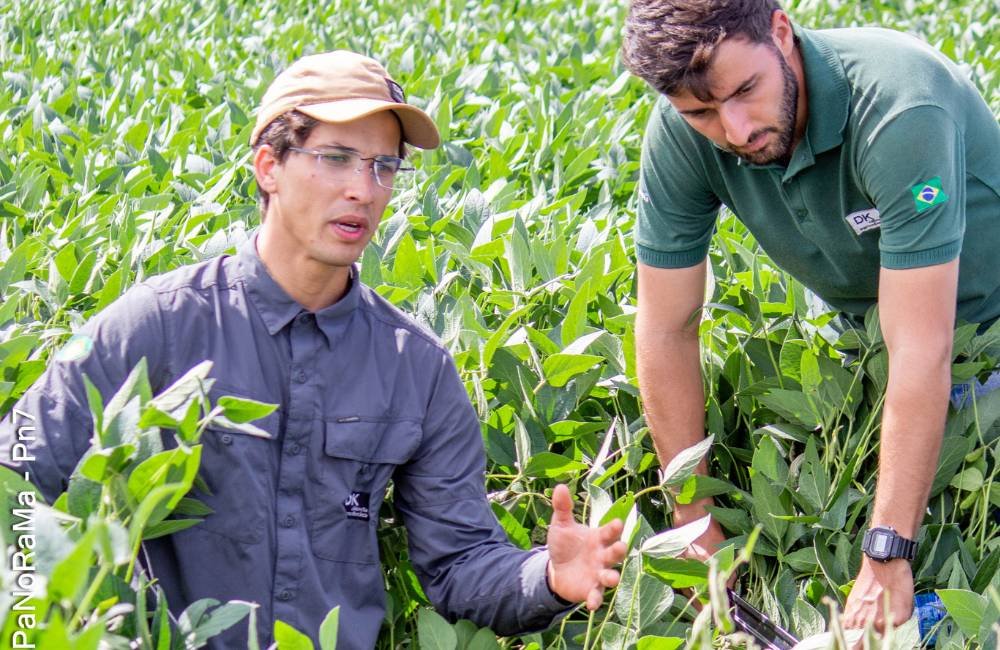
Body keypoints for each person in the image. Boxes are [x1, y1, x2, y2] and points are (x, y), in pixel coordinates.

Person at [0, 51, 626, 648]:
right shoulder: (155, 326)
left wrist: (544, 577)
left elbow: (460, 564)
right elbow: (15, 481)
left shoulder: (416, 367)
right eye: (336, 158)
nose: (364, 189)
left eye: (384, 166)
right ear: (268, 165)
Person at [620, 0, 999, 634]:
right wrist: (693, 515)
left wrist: (888, 552)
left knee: (958, 528)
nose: (736, 129)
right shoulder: (681, 136)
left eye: (746, 90)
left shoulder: (898, 107)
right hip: (860, 322)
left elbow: (920, 349)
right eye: (702, 112)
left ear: (780, 30)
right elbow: (665, 327)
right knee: (814, 503)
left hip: (982, 318)